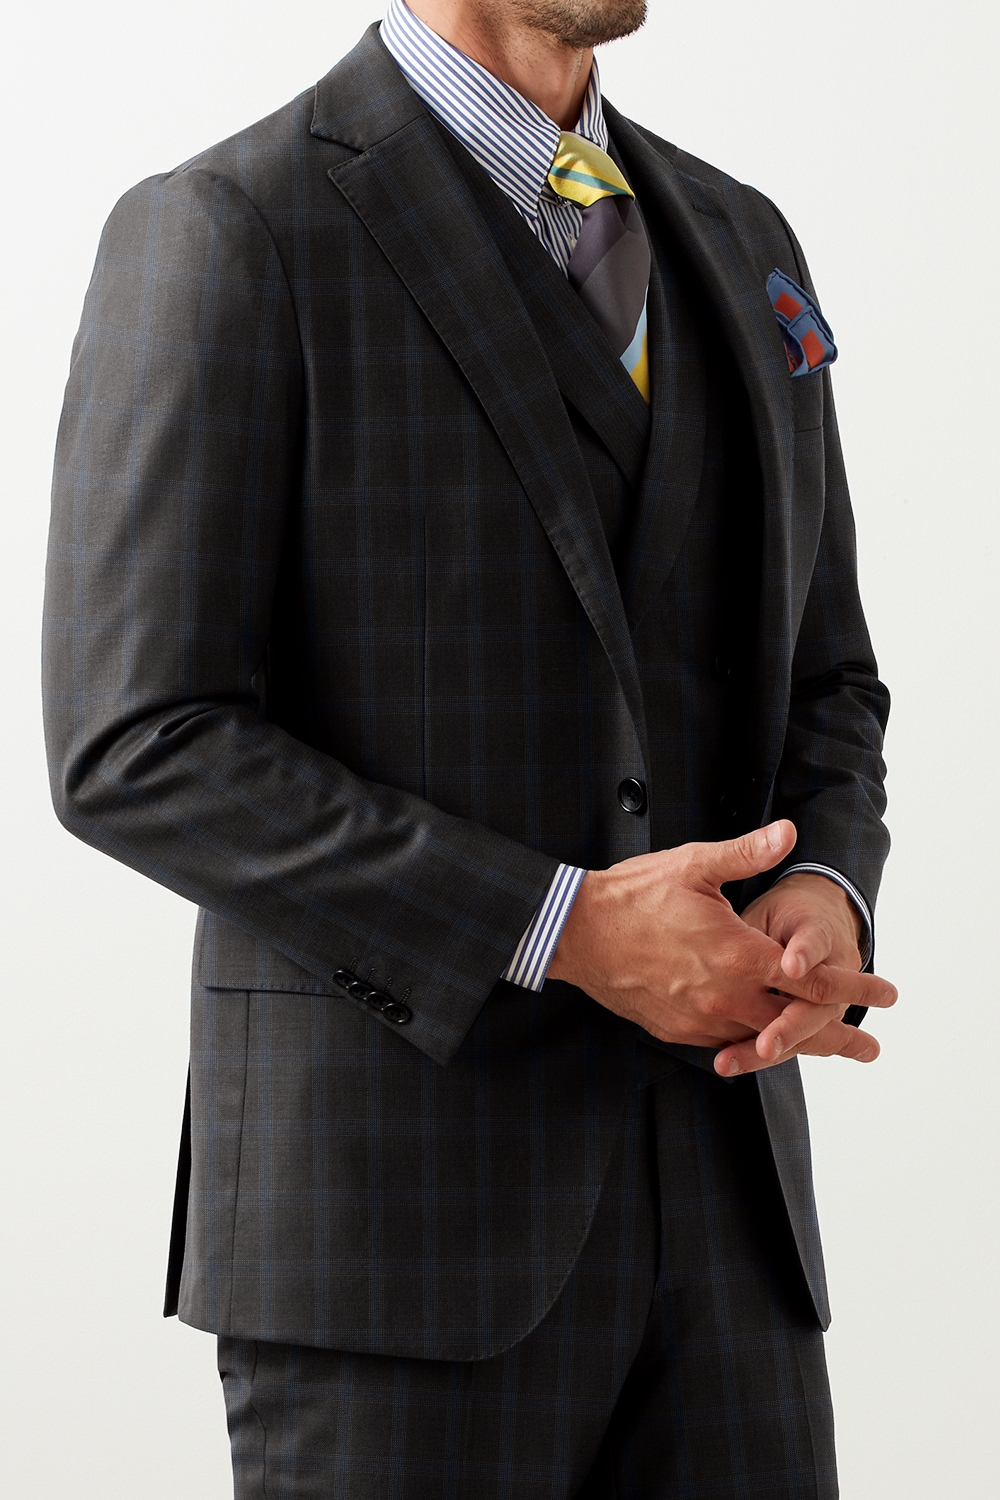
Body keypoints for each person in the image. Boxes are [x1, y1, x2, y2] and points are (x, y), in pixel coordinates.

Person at [42, 0, 897, 1494]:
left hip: (730, 1235)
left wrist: (822, 880)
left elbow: (827, 673)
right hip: (391, 1241)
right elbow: (138, 738)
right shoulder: (232, 228)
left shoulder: (739, 231)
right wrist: (558, 927)